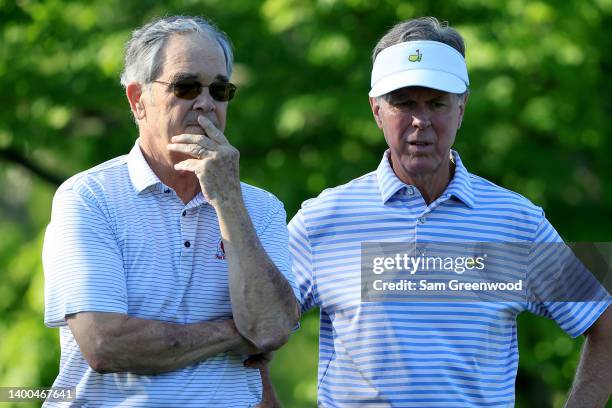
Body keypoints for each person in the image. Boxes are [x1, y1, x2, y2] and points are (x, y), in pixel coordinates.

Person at [287, 17, 612, 407]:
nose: (420, 121)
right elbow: (252, 328)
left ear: (462, 108)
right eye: (404, 103)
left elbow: (605, 322)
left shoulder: (516, 221)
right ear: (376, 110)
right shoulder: (324, 219)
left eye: (437, 103)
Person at [42, 15, 299, 407]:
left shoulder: (260, 208)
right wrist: (235, 333)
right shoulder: (88, 197)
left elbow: (273, 327)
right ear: (137, 100)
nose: (205, 102)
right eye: (185, 86)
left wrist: (228, 200)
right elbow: (106, 343)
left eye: (219, 89)